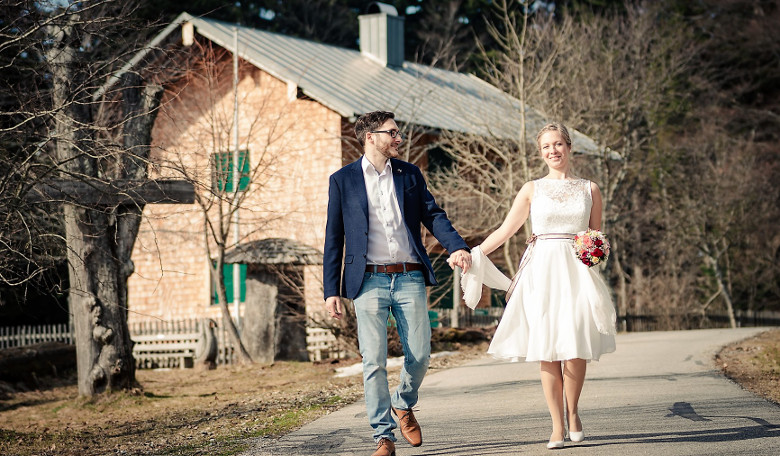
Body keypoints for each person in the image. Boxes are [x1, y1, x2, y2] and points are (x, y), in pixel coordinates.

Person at [453, 122, 616, 450]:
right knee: (548, 346)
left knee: (576, 343)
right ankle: (556, 425)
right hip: (541, 270)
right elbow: (505, 230)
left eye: (558, 144)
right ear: (541, 153)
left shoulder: (590, 189)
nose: (552, 151)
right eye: (546, 147)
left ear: (569, 147)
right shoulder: (532, 189)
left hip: (577, 271)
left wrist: (599, 248)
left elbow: (596, 236)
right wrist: (472, 254)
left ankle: (574, 412)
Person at [323, 110, 472, 456]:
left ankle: (402, 401)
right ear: (371, 137)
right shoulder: (342, 180)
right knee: (372, 361)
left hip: (408, 275)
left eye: (398, 132)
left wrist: (457, 245)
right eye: (392, 133)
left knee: (420, 354)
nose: (398, 138)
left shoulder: (409, 174)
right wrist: (331, 290)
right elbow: (334, 237)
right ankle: (383, 436)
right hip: (367, 281)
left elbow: (433, 214)